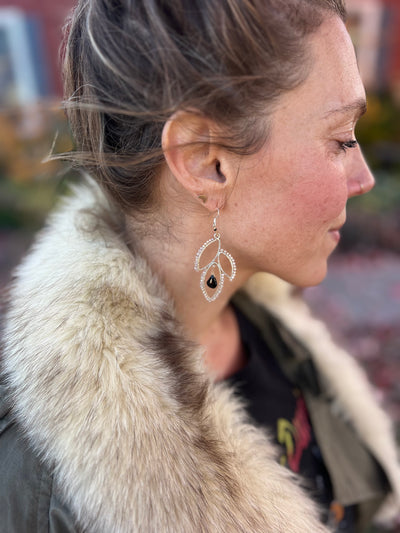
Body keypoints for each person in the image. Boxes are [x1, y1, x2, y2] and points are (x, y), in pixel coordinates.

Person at [1, 0, 399, 531]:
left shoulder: (277, 332)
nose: (363, 176)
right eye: (342, 138)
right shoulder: (48, 482)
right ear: (206, 162)